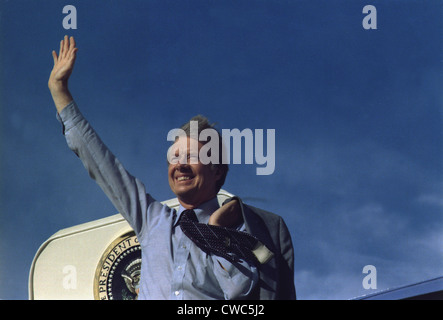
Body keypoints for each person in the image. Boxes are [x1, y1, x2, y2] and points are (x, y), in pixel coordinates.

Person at [48, 36, 296, 299]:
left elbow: (239, 290)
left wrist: (216, 230)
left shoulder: (240, 231)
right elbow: (102, 164)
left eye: (191, 155)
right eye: (174, 156)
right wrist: (59, 90)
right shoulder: (153, 220)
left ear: (218, 171)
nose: (180, 164)